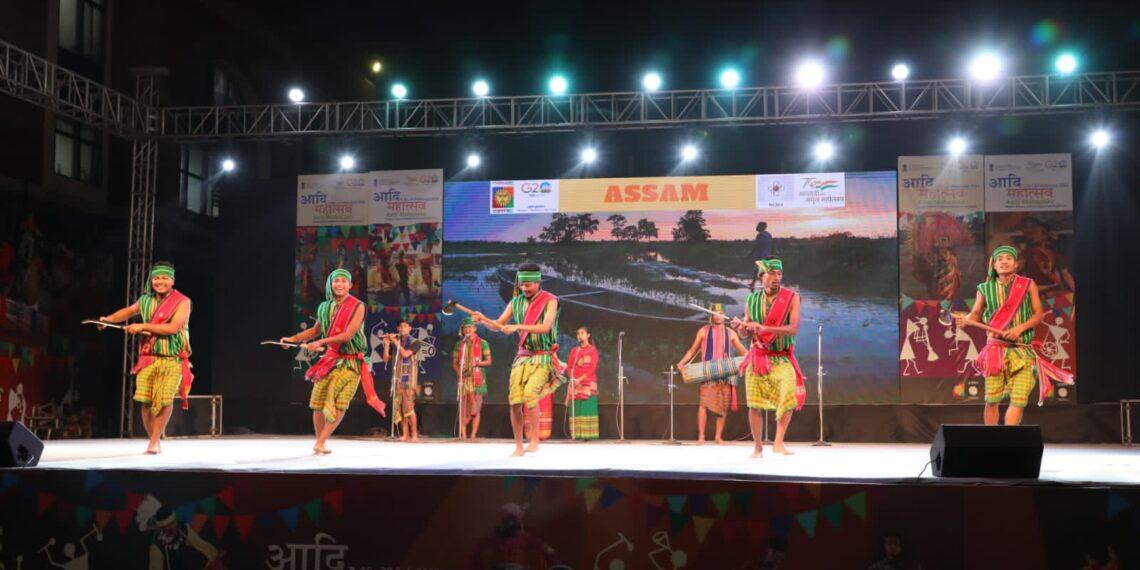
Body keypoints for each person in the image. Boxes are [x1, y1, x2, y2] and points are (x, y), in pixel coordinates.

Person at [956, 245, 1071, 425]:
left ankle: (1010, 440)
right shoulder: (984, 288)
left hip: (1022, 351)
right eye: (999, 259)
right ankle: (992, 441)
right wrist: (967, 319)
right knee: (992, 400)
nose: (1004, 261)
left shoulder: (1027, 284)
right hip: (995, 351)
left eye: (1008, 258)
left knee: (1019, 399)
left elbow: (1038, 314)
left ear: (1016, 264)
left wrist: (1020, 328)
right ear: (993, 265)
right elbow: (976, 313)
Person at [282, 268, 385, 454]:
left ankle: (321, 442)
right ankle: (321, 441)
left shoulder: (357, 306)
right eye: (336, 281)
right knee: (318, 399)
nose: (339, 284)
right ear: (331, 284)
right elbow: (315, 331)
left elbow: (347, 335)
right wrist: (293, 339)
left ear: (350, 285)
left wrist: (320, 342)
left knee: (338, 399)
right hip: (331, 359)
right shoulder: (324, 307)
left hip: (352, 361)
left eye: (343, 281)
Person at [98, 262, 193, 455]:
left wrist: (142, 326)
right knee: (145, 402)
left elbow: (172, 328)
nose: (160, 282)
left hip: (172, 359)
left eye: (165, 278)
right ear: (151, 281)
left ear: (172, 281)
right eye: (156, 278)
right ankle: (154, 439)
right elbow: (127, 312)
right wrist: (108, 320)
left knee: (165, 400)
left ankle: (154, 441)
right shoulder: (145, 300)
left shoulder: (182, 302)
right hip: (148, 357)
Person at [472, 263, 563, 456]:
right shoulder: (516, 302)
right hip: (522, 358)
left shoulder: (550, 300)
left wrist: (517, 327)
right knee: (514, 401)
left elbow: (545, 327)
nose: (524, 288)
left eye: (528, 285)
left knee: (530, 394)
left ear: (538, 282)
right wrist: (484, 320)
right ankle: (519, 446)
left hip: (542, 357)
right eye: (522, 285)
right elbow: (498, 325)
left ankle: (535, 441)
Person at [734, 257, 806, 458]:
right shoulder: (751, 299)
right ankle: (757, 448)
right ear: (761, 276)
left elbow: (793, 329)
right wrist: (741, 328)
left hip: (781, 357)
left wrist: (764, 327)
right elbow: (745, 333)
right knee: (754, 404)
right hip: (757, 355)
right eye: (772, 274)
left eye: (779, 274)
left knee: (789, 394)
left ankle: (778, 443)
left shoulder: (791, 298)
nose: (776, 278)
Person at [678, 303, 748, 444]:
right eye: (716, 313)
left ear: (724, 314)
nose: (718, 316)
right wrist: (682, 363)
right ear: (711, 315)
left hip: (726, 374)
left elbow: (744, 352)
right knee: (704, 404)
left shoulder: (731, 333)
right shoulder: (703, 331)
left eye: (721, 312)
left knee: (723, 405)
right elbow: (692, 351)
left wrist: (754, 358)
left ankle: (718, 437)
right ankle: (701, 437)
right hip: (708, 372)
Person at [454, 317, 492, 441]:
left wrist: (477, 364)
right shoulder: (459, 345)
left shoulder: (483, 343)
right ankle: (463, 435)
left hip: (477, 378)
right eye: (465, 328)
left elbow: (488, 361)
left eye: (470, 327)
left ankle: (473, 436)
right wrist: (459, 373)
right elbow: (455, 363)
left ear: (475, 328)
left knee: (475, 408)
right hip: (464, 379)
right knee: (464, 408)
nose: (468, 329)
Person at [383, 319, 420, 441]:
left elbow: (405, 354)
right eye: (400, 327)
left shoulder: (416, 342)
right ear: (398, 329)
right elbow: (385, 358)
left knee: (409, 407)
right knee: (400, 407)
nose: (402, 329)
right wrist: (387, 343)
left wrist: (393, 340)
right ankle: (405, 434)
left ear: (410, 328)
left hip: (409, 379)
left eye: (405, 326)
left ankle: (414, 435)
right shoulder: (396, 343)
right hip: (398, 379)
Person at [1018, 216, 1074, 294]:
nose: (1033, 235)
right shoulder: (1027, 252)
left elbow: (1066, 275)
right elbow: (1017, 269)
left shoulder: (1054, 254)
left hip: (1053, 292)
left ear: (1045, 235)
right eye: (1032, 233)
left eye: (1036, 233)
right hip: (1036, 291)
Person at [565, 326, 600, 441]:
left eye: (582, 333)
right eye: (578, 333)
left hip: (587, 382)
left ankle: (588, 436)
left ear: (588, 335)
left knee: (586, 407)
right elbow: (569, 367)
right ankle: (576, 434)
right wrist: (573, 379)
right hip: (575, 382)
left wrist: (580, 379)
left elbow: (592, 368)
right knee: (577, 408)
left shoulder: (593, 351)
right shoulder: (574, 351)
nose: (579, 335)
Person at [748, 222, 773, 292]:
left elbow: (756, 246)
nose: (757, 227)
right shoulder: (768, 234)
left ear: (761, 227)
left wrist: (750, 254)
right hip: (767, 255)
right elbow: (771, 245)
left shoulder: (760, 235)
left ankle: (755, 283)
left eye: (758, 226)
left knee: (757, 270)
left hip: (760, 255)